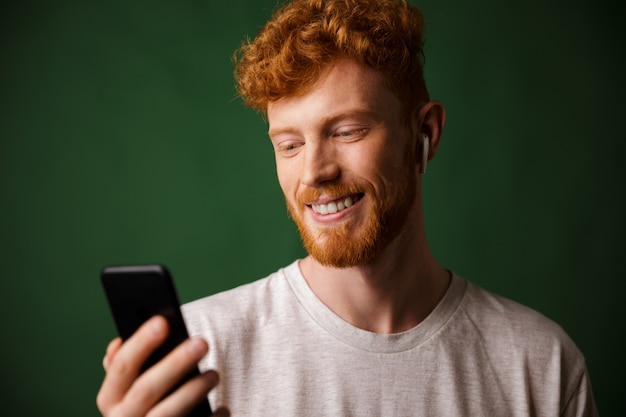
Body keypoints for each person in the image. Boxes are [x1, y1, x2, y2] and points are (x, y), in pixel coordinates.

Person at [97, 0, 598, 415]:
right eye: (289, 144)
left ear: (425, 133)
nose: (315, 172)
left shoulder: (541, 365)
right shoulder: (198, 354)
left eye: (347, 131)